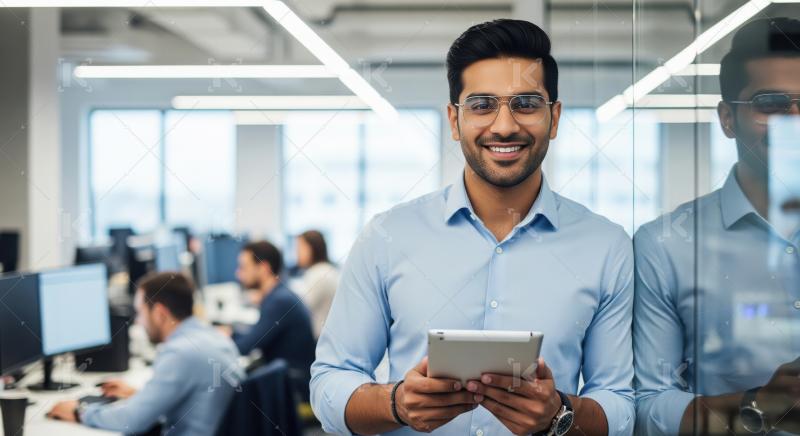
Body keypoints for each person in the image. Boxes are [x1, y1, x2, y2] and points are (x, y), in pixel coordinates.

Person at [311, 19, 635, 436]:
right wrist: (396, 403)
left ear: (554, 118)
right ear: (454, 119)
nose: (504, 126)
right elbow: (329, 383)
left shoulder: (605, 246)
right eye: (482, 105)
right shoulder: (386, 237)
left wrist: (560, 414)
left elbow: (620, 405)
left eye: (526, 104)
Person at [633, 17, 800, 435]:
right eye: (771, 103)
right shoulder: (667, 246)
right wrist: (757, 407)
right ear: (728, 119)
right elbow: (648, 407)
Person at [47, 272, 244, 435]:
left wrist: (80, 412)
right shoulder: (215, 338)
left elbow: (131, 421)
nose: (138, 322)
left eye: (140, 312)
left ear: (159, 313)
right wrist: (142, 396)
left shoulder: (180, 353)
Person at [223, 240, 316, 401]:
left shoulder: (279, 301)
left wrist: (218, 342)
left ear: (264, 268)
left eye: (244, 267)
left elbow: (246, 347)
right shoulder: (279, 295)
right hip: (287, 380)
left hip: (295, 389)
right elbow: (256, 335)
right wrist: (231, 333)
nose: (238, 274)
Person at [295, 230, 340, 338]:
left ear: (312, 248)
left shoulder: (319, 274)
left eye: (300, 248)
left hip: (319, 338)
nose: (297, 253)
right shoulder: (324, 270)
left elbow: (299, 309)